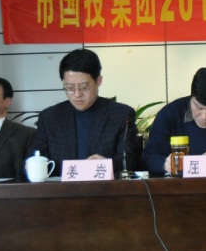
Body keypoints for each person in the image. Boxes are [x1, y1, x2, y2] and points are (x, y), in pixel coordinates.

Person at [29, 48, 139, 176]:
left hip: (104, 187)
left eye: (84, 87)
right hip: (61, 187)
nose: (77, 94)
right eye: (70, 88)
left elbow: (131, 160)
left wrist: (107, 164)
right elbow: (33, 160)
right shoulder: (49, 118)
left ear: (98, 81)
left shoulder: (120, 115)